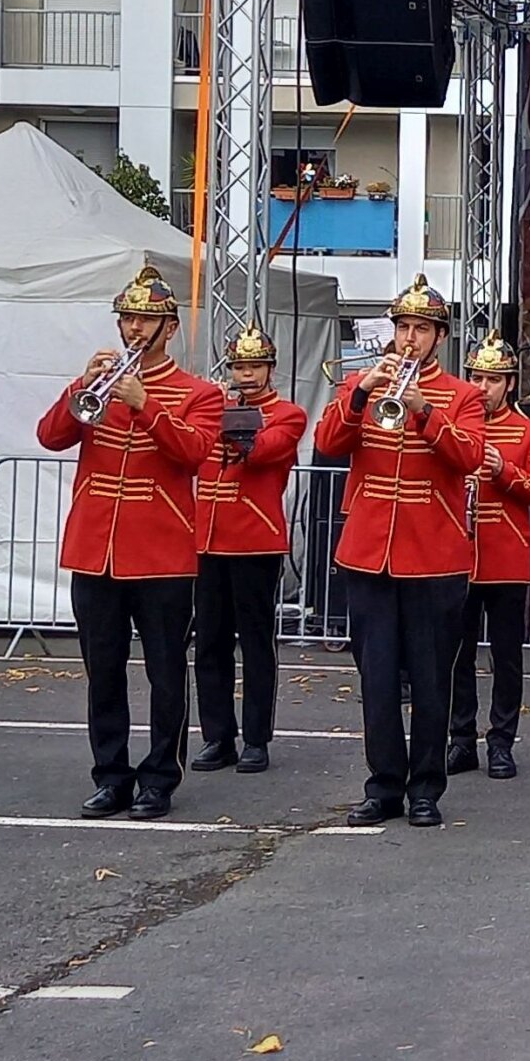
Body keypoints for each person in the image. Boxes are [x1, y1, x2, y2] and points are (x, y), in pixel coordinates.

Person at [36, 264, 224, 820]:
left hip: (160, 551)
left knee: (165, 669)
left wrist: (146, 403)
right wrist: (79, 385)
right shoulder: (98, 383)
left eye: (146, 320)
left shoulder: (200, 392)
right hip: (96, 548)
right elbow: (50, 436)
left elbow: (193, 455)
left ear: (170, 328)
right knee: (103, 669)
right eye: (128, 319)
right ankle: (110, 774)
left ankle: (160, 777)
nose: (134, 329)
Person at [314, 276, 488, 828]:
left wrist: (423, 411)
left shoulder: (463, 396)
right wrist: (364, 390)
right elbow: (327, 443)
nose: (409, 339)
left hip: (433, 556)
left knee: (433, 679)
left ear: (440, 336)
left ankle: (425, 788)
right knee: (378, 678)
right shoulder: (359, 386)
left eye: (421, 329)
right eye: (403, 327)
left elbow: (469, 457)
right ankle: (383, 784)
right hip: (368, 553)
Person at [191, 322, 308, 778]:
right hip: (208, 537)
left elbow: (261, 450)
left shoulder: (287, 412)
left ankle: (256, 737)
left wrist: (223, 414)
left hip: (255, 539)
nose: (247, 375)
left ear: (270, 369)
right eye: (240, 366)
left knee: (256, 644)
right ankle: (217, 735)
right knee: (210, 643)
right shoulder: (215, 407)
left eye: (255, 366)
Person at [448, 336, 530, 782]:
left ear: (509, 383)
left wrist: (503, 472)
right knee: (457, 654)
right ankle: (460, 738)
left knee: (506, 656)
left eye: (493, 379)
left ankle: (501, 741)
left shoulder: (529, 431)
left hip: (505, 556)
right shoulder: (457, 423)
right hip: (457, 553)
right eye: (477, 377)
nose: (483, 387)